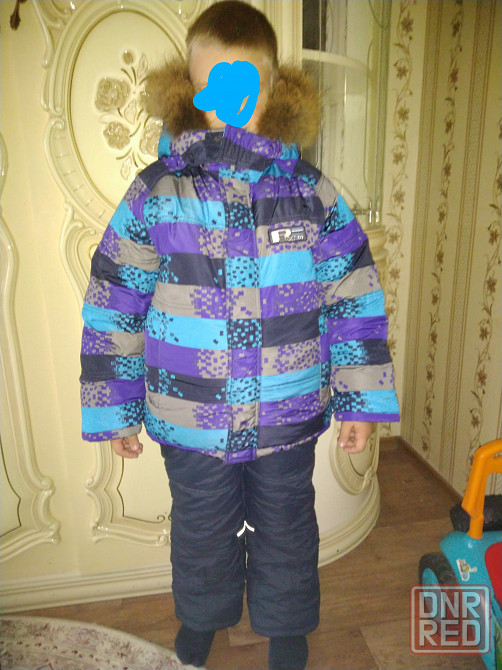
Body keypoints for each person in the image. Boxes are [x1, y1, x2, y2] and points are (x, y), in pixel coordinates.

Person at [80, 2, 400, 668]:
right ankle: (204, 616)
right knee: (202, 529)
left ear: (272, 94)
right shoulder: (158, 193)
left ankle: (287, 624)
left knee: (287, 523)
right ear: (190, 95)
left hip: (287, 412)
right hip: (190, 416)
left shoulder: (310, 194)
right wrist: (115, 410)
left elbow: (354, 296)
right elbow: (115, 301)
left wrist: (362, 404)